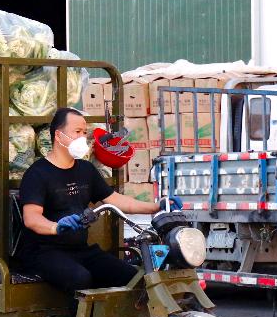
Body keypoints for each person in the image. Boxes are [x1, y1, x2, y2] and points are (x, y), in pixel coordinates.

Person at [18, 107, 182, 296]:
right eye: (77, 132)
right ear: (59, 135)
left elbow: (117, 200)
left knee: (132, 277)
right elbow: (31, 218)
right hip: (44, 252)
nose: (83, 138)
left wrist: (157, 206)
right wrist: (57, 227)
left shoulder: (86, 170)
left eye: (85, 133)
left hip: (80, 250)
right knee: (79, 278)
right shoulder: (37, 173)